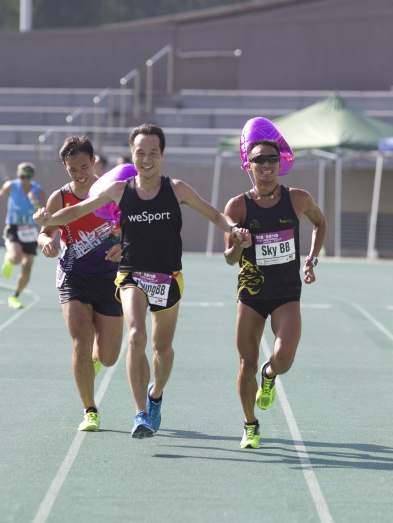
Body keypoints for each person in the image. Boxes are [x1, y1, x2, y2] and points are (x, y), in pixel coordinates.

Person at [34, 123, 246, 440]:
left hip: (164, 277)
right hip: (121, 276)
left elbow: (214, 214)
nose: (146, 159)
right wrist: (48, 221)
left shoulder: (176, 189)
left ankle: (154, 394)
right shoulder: (116, 190)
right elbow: (76, 212)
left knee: (158, 350)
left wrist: (233, 228)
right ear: (131, 154)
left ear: (162, 155)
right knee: (132, 336)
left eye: (152, 153)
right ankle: (135, 413)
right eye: (140, 153)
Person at [224, 137, 327, 449]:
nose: (266, 164)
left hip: (286, 292)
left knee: (284, 359)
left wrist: (311, 259)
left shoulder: (297, 198)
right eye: (259, 159)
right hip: (251, 293)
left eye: (271, 158)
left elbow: (320, 223)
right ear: (248, 165)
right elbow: (229, 258)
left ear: (280, 163)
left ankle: (269, 375)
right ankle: (250, 425)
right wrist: (239, 244)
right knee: (246, 362)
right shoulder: (238, 206)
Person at [37, 136, 123, 432]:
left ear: (94, 161)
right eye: (72, 169)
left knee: (109, 356)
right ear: (65, 167)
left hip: (109, 278)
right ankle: (90, 410)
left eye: (84, 167)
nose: (79, 174)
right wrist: (47, 242)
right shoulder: (60, 198)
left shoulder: (112, 191)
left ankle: (94, 361)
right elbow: (45, 232)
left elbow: (132, 231)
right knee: (81, 342)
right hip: (73, 277)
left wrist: (123, 245)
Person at [0, 162, 46, 309]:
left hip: (30, 230)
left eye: (27, 177)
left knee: (27, 267)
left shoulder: (38, 190)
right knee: (16, 258)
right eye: (21, 177)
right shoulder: (11, 186)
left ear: (31, 177)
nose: (24, 180)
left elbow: (44, 211)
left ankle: (14, 296)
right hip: (14, 227)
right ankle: (9, 260)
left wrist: (35, 202)